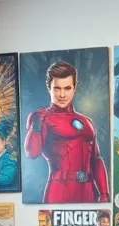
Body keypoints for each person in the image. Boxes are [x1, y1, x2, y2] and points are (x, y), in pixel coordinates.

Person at [25, 61, 109, 204]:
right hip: (59, 189)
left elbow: (96, 159)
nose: (62, 94)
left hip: (88, 191)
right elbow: (32, 153)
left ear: (74, 88)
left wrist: (104, 193)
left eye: (67, 88)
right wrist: (37, 124)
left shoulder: (87, 121)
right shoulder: (43, 117)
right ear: (49, 88)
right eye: (57, 88)